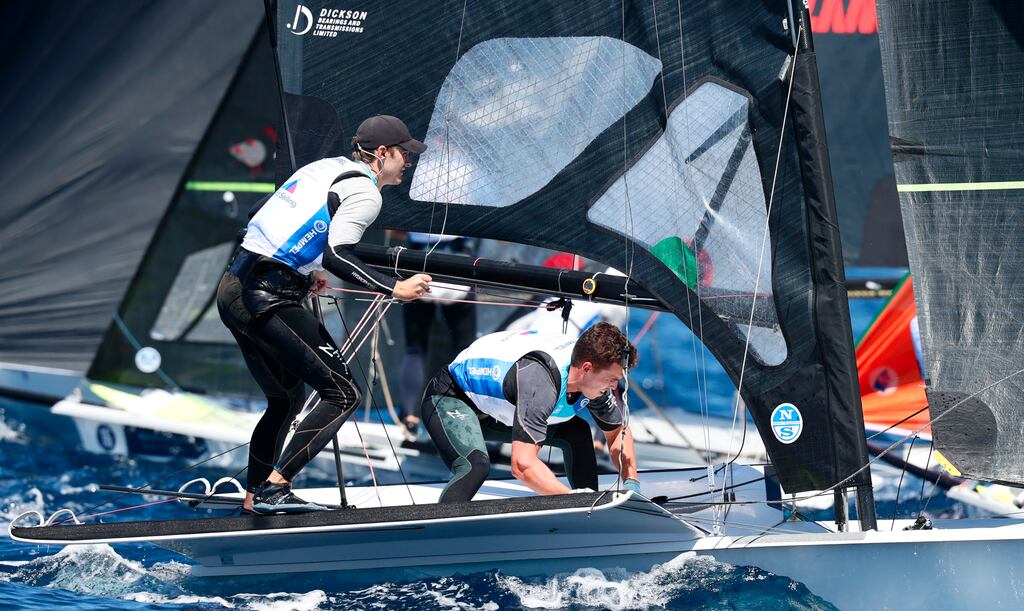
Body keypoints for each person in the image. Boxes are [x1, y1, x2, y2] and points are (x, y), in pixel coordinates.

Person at [217, 115, 432, 514]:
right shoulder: (366, 193)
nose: (409, 162)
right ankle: (274, 489)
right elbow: (338, 255)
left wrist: (305, 267)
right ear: (381, 153)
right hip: (266, 296)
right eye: (404, 154)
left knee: (285, 399)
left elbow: (259, 214)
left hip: (233, 285)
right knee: (343, 393)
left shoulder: (323, 167)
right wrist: (395, 287)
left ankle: (254, 499)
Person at [421, 322, 641, 502]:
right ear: (586, 368)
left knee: (577, 432)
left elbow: (617, 433)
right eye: (611, 379)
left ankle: (590, 508)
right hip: (452, 398)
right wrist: (570, 501)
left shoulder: (593, 374)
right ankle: (441, 534)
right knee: (475, 466)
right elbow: (522, 465)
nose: (614, 386)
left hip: (500, 409)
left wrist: (631, 482)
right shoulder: (540, 383)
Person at [396, 231, 477, 439]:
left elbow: (394, 231)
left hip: (417, 263)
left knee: (415, 349)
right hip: (457, 263)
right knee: (465, 351)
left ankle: (410, 419)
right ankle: (461, 419)